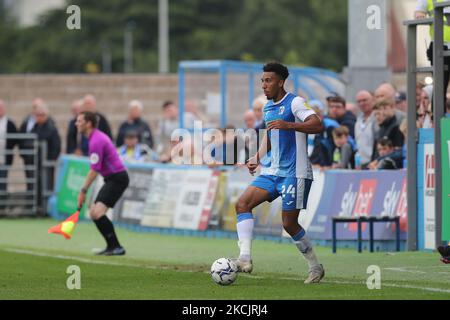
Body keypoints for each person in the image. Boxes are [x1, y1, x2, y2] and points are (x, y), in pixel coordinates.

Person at [233, 62, 325, 283]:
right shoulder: (267, 108)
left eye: (269, 80)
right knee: (242, 204)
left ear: (281, 82)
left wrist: (290, 125)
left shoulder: (295, 103)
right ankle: (244, 258)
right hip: (273, 171)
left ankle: (315, 266)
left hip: (296, 172)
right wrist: (257, 156)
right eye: (263, 81)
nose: (264, 85)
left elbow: (317, 124)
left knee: (289, 223)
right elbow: (271, 135)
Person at [76, 111, 129, 256]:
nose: (76, 124)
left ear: (89, 123)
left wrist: (83, 191)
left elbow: (94, 170)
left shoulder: (96, 140)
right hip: (112, 179)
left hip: (117, 178)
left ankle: (116, 247)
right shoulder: (94, 138)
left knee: (96, 212)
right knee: (95, 213)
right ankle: (113, 246)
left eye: (80, 121)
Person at [415, 0, 450, 106]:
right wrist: (420, 15)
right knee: (440, 87)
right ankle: (439, 119)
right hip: (440, 45)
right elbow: (419, 12)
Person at [31, 103, 62, 211]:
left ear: (46, 115)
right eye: (37, 114)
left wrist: (49, 161)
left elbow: (56, 146)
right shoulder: (35, 127)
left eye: (41, 114)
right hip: (36, 163)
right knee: (37, 185)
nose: (39, 117)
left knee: (47, 185)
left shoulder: (51, 128)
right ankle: (38, 207)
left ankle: (47, 209)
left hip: (47, 164)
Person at [0, 100, 18, 210]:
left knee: (2, 182)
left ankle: (2, 207)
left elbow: (15, 138)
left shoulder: (10, 123)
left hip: (4, 159)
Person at [355, 90, 377, 166]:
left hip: (373, 163)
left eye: (364, 100)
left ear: (373, 100)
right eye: (359, 101)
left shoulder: (377, 118)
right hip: (361, 164)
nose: (362, 103)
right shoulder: (358, 121)